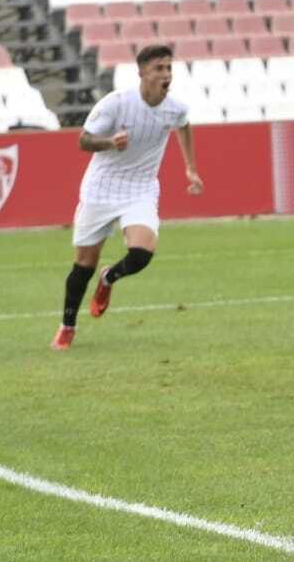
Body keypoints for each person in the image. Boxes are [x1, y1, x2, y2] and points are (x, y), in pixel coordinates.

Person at [51, 44, 203, 350]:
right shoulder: (116, 103)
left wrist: (190, 168)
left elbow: (184, 127)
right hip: (102, 187)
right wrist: (109, 142)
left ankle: (109, 278)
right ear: (142, 73)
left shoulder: (175, 107)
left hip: (141, 188)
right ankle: (67, 326)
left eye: (169, 68)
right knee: (84, 263)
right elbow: (83, 140)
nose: (166, 74)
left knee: (142, 252)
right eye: (159, 68)